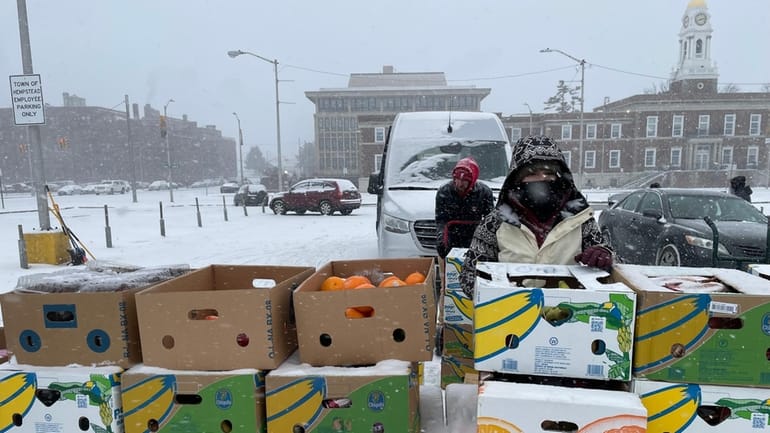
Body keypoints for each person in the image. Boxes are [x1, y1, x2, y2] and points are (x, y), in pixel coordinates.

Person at [459, 136, 613, 297]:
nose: (542, 179)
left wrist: (604, 255)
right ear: (517, 178)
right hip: (511, 310)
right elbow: (469, 277)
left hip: (568, 309)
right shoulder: (495, 222)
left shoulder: (580, 219)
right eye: (532, 173)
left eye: (549, 173)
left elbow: (611, 272)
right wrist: (498, 294)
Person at [434, 157, 494, 259]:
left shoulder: (484, 192)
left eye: (464, 181)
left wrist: (488, 241)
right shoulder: (444, 192)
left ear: (472, 181)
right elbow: (441, 220)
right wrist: (442, 239)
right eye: (457, 179)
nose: (460, 184)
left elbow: (490, 220)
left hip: (474, 234)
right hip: (452, 235)